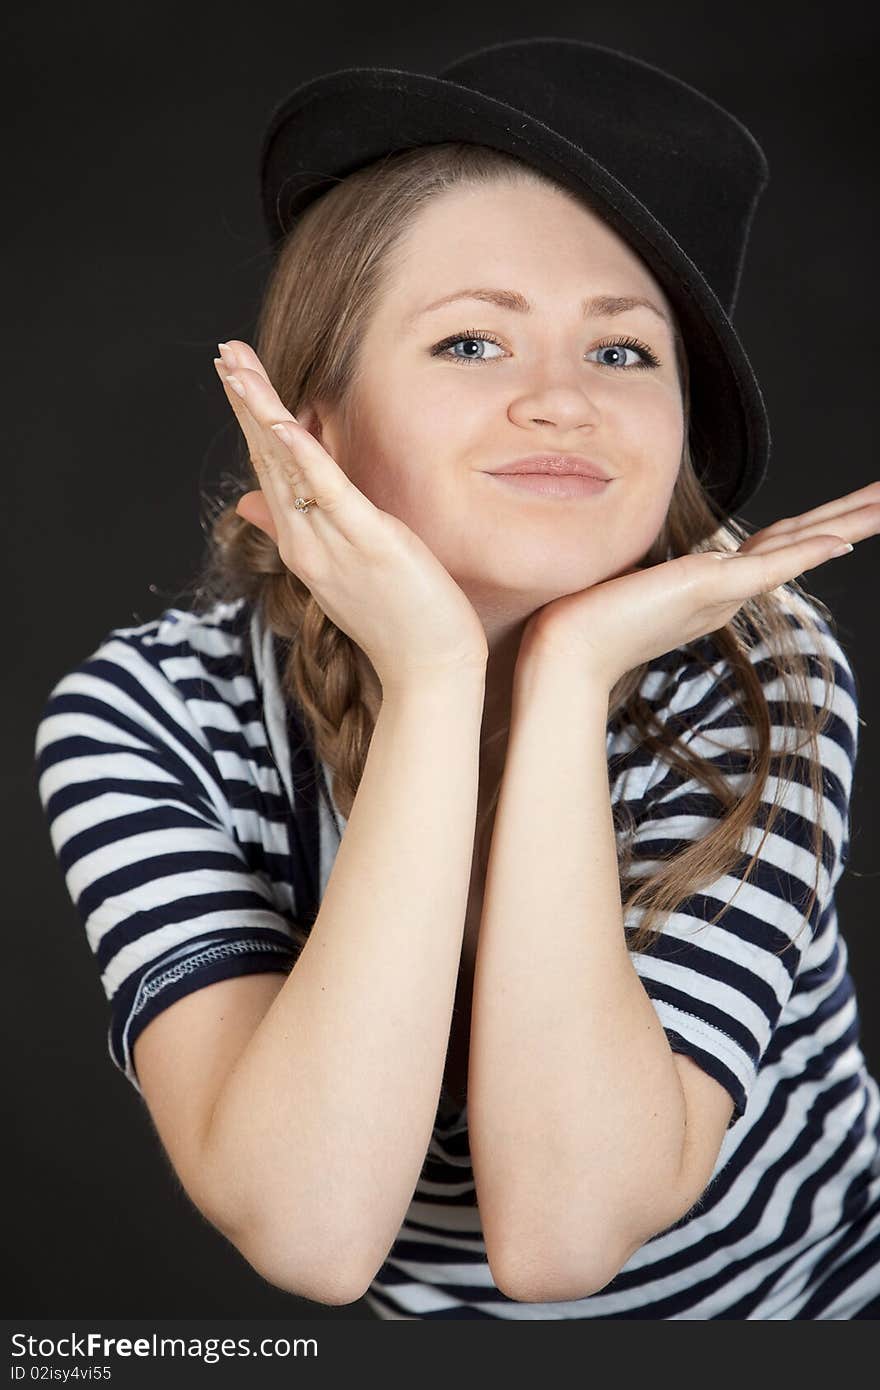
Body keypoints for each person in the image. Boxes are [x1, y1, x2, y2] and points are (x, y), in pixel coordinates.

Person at [33, 37, 880, 1319]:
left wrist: (564, 677)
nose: (562, 403)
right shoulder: (148, 720)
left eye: (622, 353)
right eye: (473, 344)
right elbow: (311, 1230)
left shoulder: (761, 669)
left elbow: (565, 1231)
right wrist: (434, 681)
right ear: (308, 426)